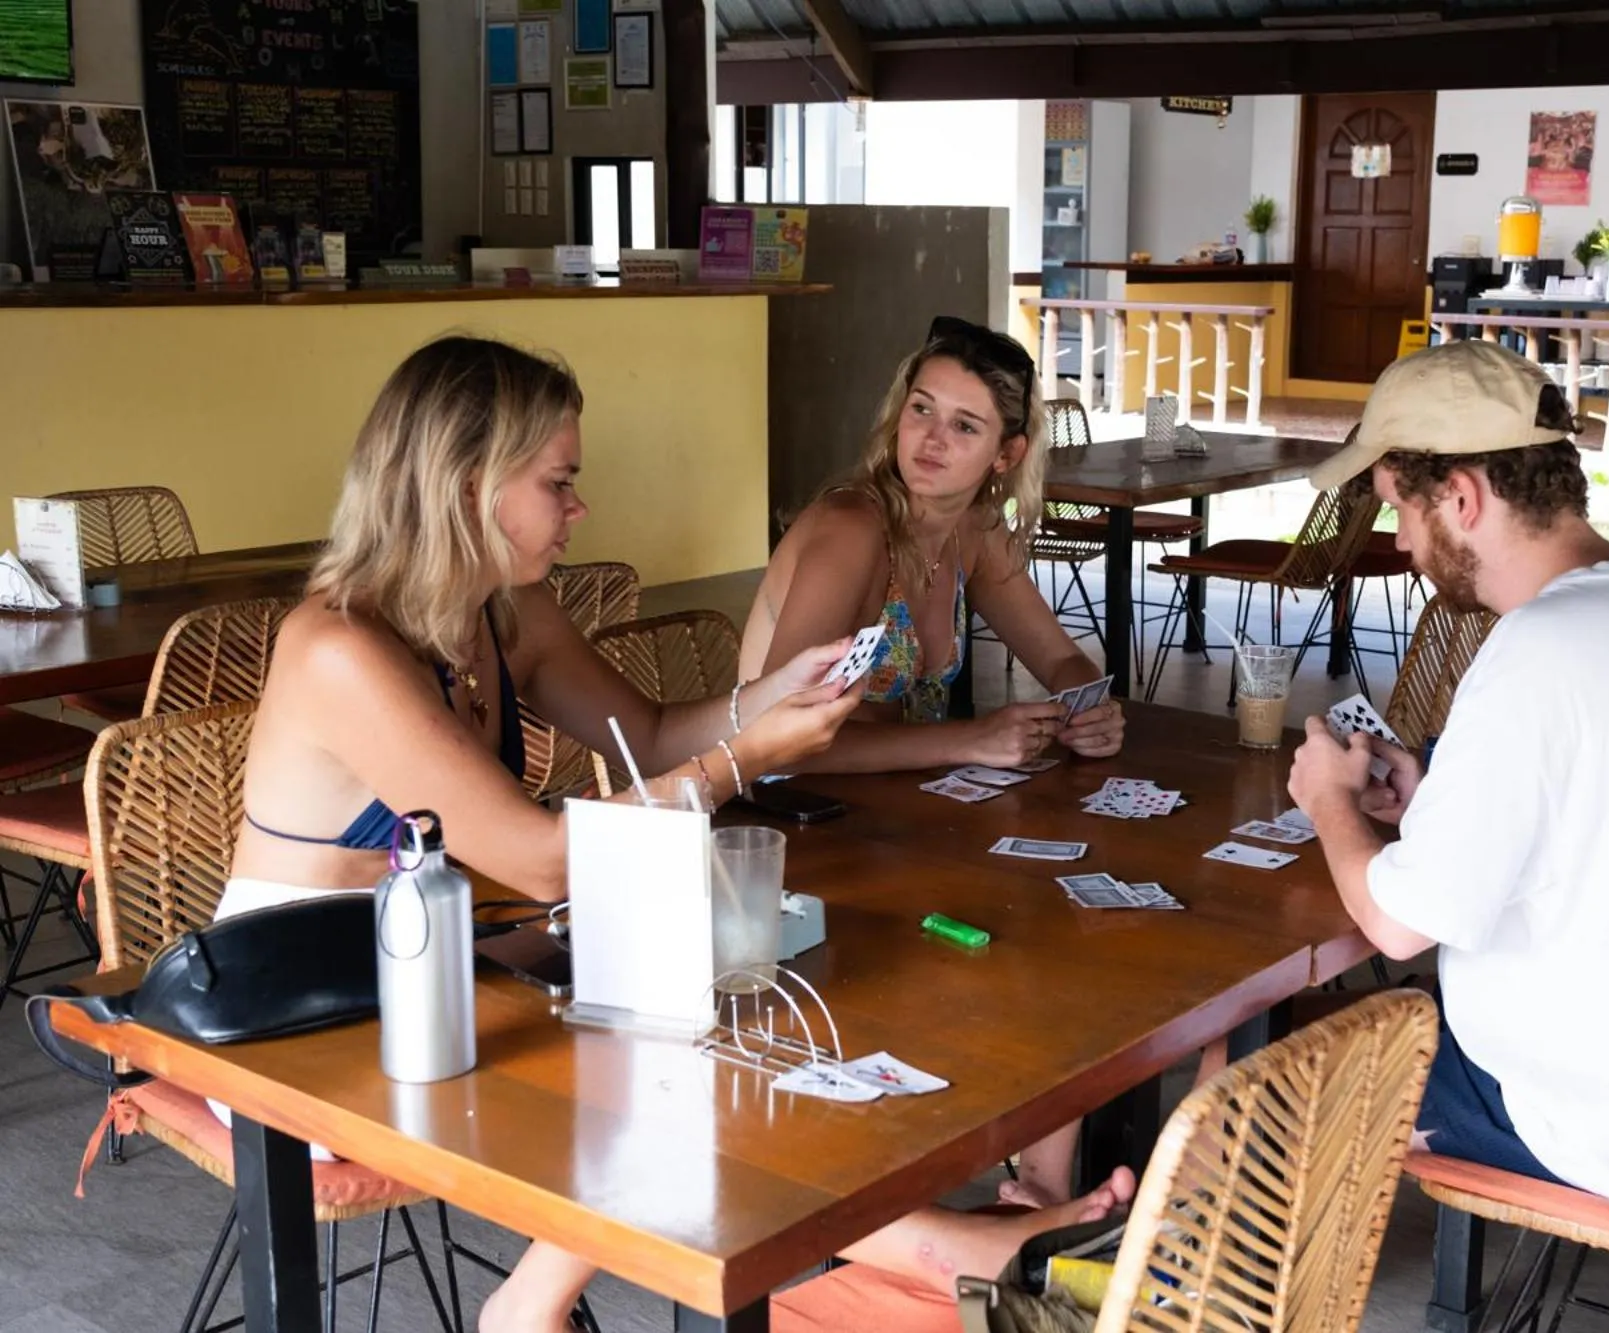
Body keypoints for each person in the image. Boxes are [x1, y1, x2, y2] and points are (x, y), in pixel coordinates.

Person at [207, 333, 1129, 1333]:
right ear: (469, 483)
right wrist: (749, 753)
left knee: (732, 1015)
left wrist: (771, 695)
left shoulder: (505, 611)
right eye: (559, 482)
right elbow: (543, 859)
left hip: (440, 970)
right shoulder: (339, 646)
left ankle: (537, 1302)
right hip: (293, 1018)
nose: (579, 508)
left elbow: (645, 735)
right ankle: (955, 1250)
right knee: (692, 1054)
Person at [1283, 340, 1609, 1210]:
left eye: (1400, 509)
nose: (1400, 540)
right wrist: (1435, 795)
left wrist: (1330, 798)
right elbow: (1599, 809)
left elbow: (1398, 926)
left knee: (1248, 1073)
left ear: (1462, 497)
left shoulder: (1538, 648)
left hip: (1603, 1123)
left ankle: (1162, 1281)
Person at [739, 316, 1125, 775]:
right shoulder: (851, 529)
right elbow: (775, 735)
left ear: (1006, 454)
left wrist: (1092, 710)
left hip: (901, 800)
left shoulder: (974, 531)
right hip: (785, 803)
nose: (932, 439)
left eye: (964, 426)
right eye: (922, 409)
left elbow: (1061, 659)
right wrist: (969, 739)